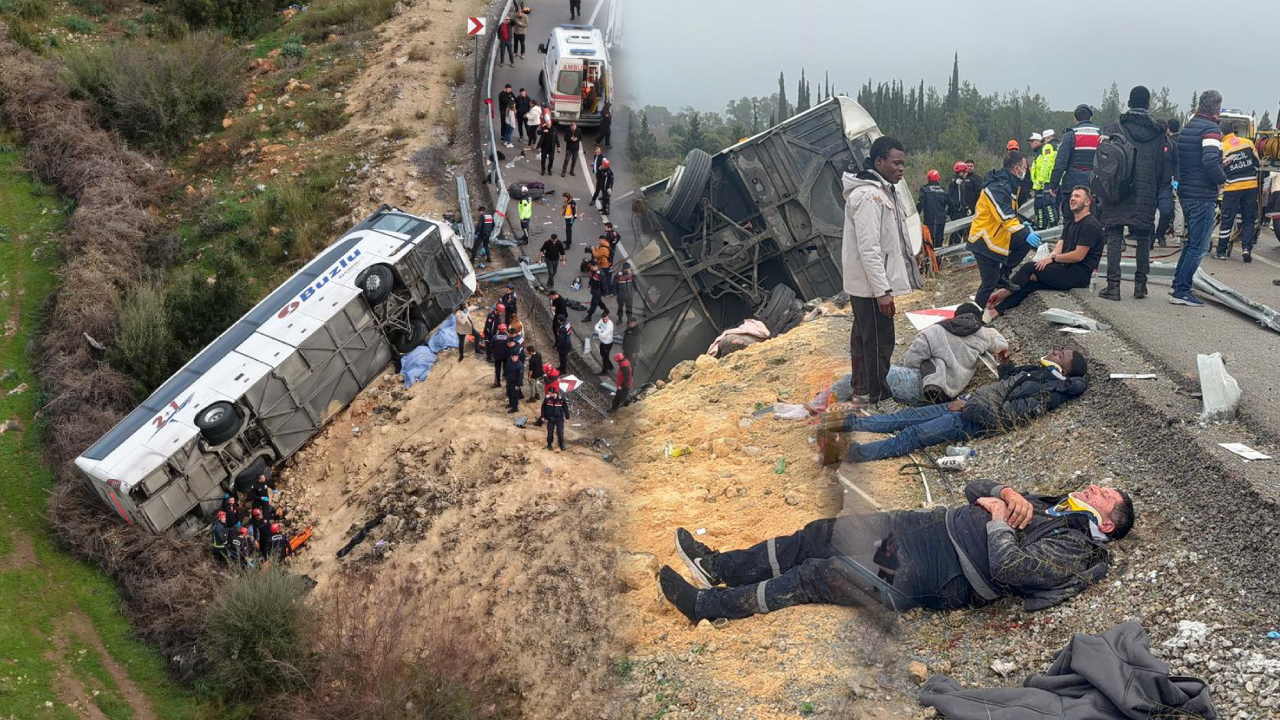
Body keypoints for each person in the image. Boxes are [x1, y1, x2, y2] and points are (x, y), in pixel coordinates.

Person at [657, 480, 1134, 623]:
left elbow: (1010, 566)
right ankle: (718, 565)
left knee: (824, 573)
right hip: (926, 528)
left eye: (1103, 494)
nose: (1094, 488)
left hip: (941, 570)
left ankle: (707, 606)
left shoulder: (1078, 547)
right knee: (823, 533)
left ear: (1108, 524)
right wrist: (1002, 492)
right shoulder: (1054, 504)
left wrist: (992, 520)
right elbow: (974, 485)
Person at [831, 348, 1088, 463]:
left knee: (911, 435)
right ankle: (849, 423)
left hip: (969, 419)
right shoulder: (1038, 374)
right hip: (966, 404)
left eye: (1061, 355)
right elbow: (1006, 387)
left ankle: (850, 455)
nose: (1054, 351)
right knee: (907, 417)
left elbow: (1009, 416)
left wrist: (968, 408)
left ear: (1064, 370)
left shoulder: (1049, 392)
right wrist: (1006, 366)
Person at [841, 136, 922, 405]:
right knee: (879, 343)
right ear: (879, 161)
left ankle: (862, 393)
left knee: (864, 340)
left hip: (869, 286)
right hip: (872, 287)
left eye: (903, 164)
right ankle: (879, 399)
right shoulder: (868, 196)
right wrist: (882, 292)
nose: (901, 169)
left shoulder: (881, 191)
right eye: (896, 163)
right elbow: (869, 249)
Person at [1095, 86, 1168, 301]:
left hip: (1118, 188)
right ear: (1148, 105)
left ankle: (1113, 287)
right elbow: (1162, 167)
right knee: (1143, 236)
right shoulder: (1158, 133)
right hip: (1146, 190)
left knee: (1115, 234)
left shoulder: (1115, 127)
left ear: (1128, 103)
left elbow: (1104, 160)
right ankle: (1140, 286)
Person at [988, 186, 1103, 318]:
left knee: (1030, 267)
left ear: (1087, 202)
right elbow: (1061, 242)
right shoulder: (1072, 222)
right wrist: (1049, 258)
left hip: (1079, 275)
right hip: (1066, 269)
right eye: (1071, 196)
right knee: (1032, 284)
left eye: (1077, 196)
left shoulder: (1090, 225)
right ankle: (996, 310)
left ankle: (1001, 293)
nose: (1072, 199)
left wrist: (1053, 259)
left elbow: (1078, 256)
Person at [885, 302, 1009, 406]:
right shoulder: (983, 336)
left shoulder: (934, 331)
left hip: (923, 384)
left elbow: (910, 361)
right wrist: (987, 329)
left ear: (955, 316)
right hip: (948, 393)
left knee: (880, 372)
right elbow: (1003, 345)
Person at [966, 152, 1042, 309]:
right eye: (1024, 167)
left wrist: (1023, 224)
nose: (1026, 170)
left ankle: (1004, 274)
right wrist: (1025, 233)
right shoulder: (997, 187)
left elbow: (1010, 213)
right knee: (988, 284)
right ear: (1016, 169)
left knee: (1023, 243)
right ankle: (973, 319)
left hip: (995, 237)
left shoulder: (1009, 184)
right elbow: (1004, 215)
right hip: (984, 239)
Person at [1171, 90, 1226, 307]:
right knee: (1199, 245)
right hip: (1202, 194)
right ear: (1217, 108)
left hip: (1186, 191)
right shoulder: (1211, 130)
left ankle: (1178, 284)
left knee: (1191, 243)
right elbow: (1210, 162)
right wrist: (1222, 178)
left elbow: (1191, 160)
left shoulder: (1189, 128)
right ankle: (1182, 290)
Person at [1215, 122, 1260, 262]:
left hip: (1232, 188)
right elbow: (1257, 163)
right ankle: (1246, 248)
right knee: (1248, 219)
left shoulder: (1222, 147)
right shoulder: (1247, 143)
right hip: (1250, 186)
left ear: (1222, 133)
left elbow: (1218, 168)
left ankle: (1221, 251)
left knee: (1227, 219)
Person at [1048, 105, 1101, 221]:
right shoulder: (1100, 134)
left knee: (1070, 218)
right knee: (1091, 219)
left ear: (1075, 119)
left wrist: (1054, 184)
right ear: (1090, 118)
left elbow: (1060, 163)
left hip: (1072, 185)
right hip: (1093, 185)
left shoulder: (1070, 135)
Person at [1153, 118, 1181, 247]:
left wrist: (1176, 180)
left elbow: (1177, 164)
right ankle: (1150, 238)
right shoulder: (1149, 145)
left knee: (1166, 211)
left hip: (1165, 185)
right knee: (1148, 215)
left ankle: (1160, 233)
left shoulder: (1171, 145)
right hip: (1150, 185)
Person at [916, 169, 951, 248]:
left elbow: (920, 204)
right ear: (938, 179)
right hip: (941, 220)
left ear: (928, 178)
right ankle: (938, 259)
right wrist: (948, 213)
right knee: (939, 242)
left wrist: (916, 215)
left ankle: (930, 259)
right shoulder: (943, 190)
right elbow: (951, 204)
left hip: (929, 220)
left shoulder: (925, 190)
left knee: (928, 241)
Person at [1032, 129, 1059, 229]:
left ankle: (1052, 227)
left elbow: (1047, 163)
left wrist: (1040, 180)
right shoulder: (1059, 146)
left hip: (1048, 180)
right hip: (1057, 179)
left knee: (1048, 204)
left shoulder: (1048, 147)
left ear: (1048, 138)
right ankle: (1053, 226)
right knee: (1054, 205)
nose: (1044, 142)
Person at [946, 161, 972, 246]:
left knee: (962, 232)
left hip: (961, 211)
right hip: (956, 211)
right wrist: (954, 209)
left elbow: (962, 198)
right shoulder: (955, 183)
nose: (966, 175)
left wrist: (966, 207)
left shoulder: (961, 183)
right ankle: (951, 252)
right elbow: (953, 197)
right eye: (965, 172)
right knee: (956, 233)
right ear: (961, 173)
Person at [542, 385, 569, 451]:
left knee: (560, 432)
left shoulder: (561, 398)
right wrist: (543, 416)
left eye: (550, 393)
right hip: (550, 418)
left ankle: (561, 443)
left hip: (559, 418)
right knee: (550, 432)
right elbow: (543, 407)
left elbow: (565, 408)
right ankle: (549, 444)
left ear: (554, 393)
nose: (549, 394)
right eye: (549, 393)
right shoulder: (547, 398)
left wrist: (567, 417)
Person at [503, 339, 525, 413]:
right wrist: (504, 375)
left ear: (518, 357)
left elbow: (520, 376)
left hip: (515, 383)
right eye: (513, 357)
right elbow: (507, 368)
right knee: (509, 393)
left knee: (515, 396)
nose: (514, 358)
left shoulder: (520, 365)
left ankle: (515, 408)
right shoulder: (509, 361)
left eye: (515, 357)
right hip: (509, 380)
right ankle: (510, 404)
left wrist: (518, 385)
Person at [594, 310, 615, 375]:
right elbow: (595, 327)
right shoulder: (601, 320)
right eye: (603, 319)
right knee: (603, 355)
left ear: (608, 317)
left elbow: (604, 335)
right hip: (602, 342)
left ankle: (604, 371)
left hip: (607, 344)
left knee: (605, 358)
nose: (605, 321)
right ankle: (610, 366)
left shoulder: (610, 325)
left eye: (606, 319)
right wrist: (601, 331)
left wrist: (600, 332)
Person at [490, 323, 510, 388]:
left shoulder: (495, 337)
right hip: (506, 356)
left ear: (498, 329)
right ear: (505, 329)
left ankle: (497, 383)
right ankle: (508, 383)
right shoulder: (508, 337)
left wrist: (494, 352)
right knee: (506, 369)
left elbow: (492, 346)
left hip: (497, 356)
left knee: (497, 370)